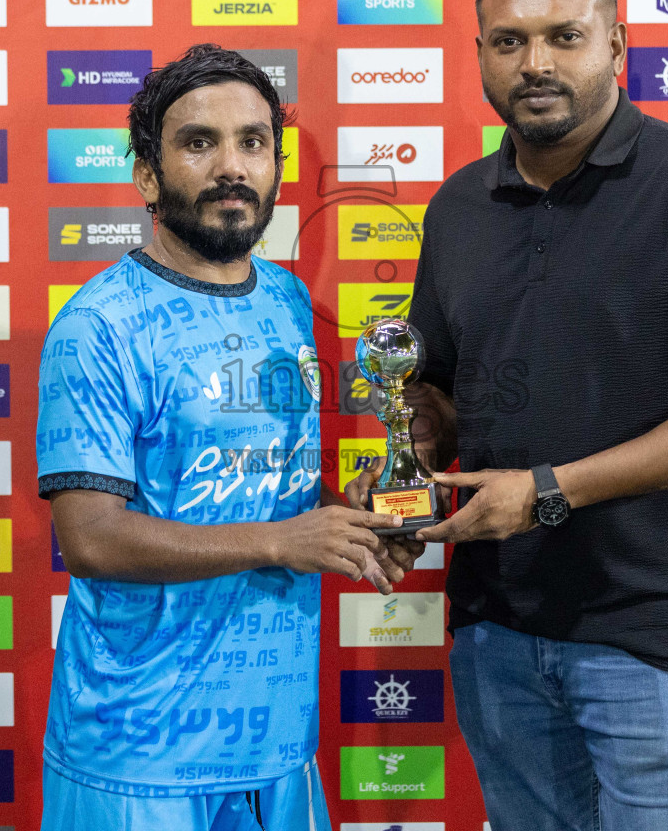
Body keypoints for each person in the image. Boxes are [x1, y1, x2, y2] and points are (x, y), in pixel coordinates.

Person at [348, 0, 668, 830]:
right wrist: (405, 476)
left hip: (660, 637)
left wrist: (548, 493)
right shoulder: (458, 206)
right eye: (508, 42)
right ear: (479, 55)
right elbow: (434, 388)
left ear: (617, 44)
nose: (537, 63)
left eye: (565, 35)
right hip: (500, 633)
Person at [37, 43, 417, 831]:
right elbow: (92, 540)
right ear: (147, 174)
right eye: (198, 142)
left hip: (276, 743)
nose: (231, 167)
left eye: (252, 142)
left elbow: (264, 487)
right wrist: (284, 541)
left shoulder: (283, 297)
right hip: (136, 749)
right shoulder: (96, 326)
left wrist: (344, 519)